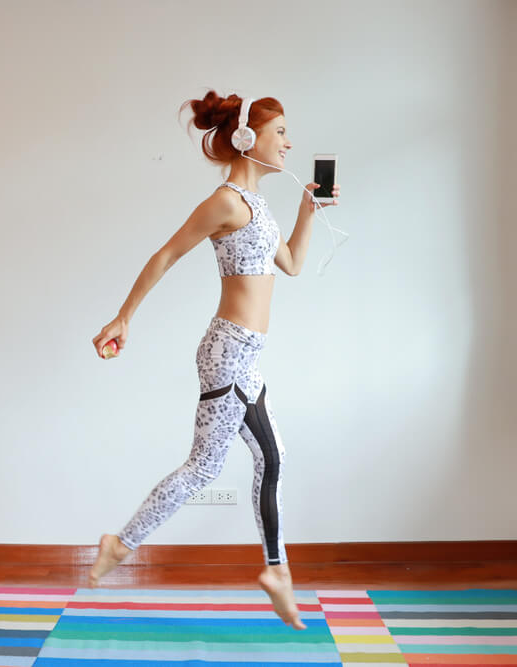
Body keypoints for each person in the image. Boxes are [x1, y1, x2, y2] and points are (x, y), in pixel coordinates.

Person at [89, 91, 339, 631]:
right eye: (281, 133)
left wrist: (308, 210)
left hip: (246, 356)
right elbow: (166, 254)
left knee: (272, 460)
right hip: (226, 352)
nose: (290, 143)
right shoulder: (225, 202)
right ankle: (120, 543)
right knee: (204, 468)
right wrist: (123, 317)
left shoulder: (261, 207)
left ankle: (277, 573)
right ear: (249, 140)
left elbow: (292, 264)